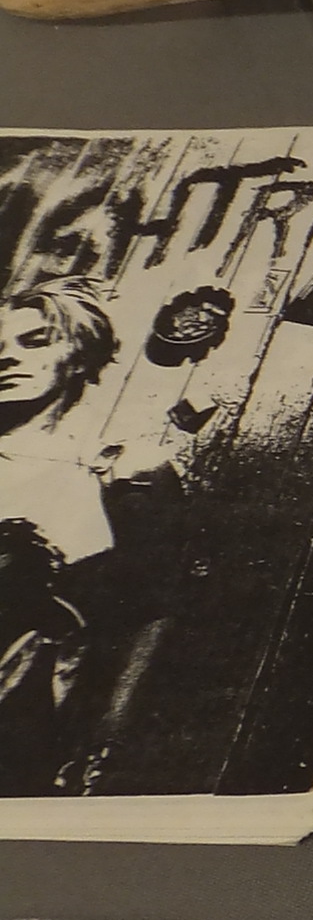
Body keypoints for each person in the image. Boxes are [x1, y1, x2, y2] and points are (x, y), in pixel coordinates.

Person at [0, 279, 120, 794]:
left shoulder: (113, 475)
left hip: (25, 722)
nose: (7, 357)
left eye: (34, 341)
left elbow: (145, 623)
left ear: (79, 355)